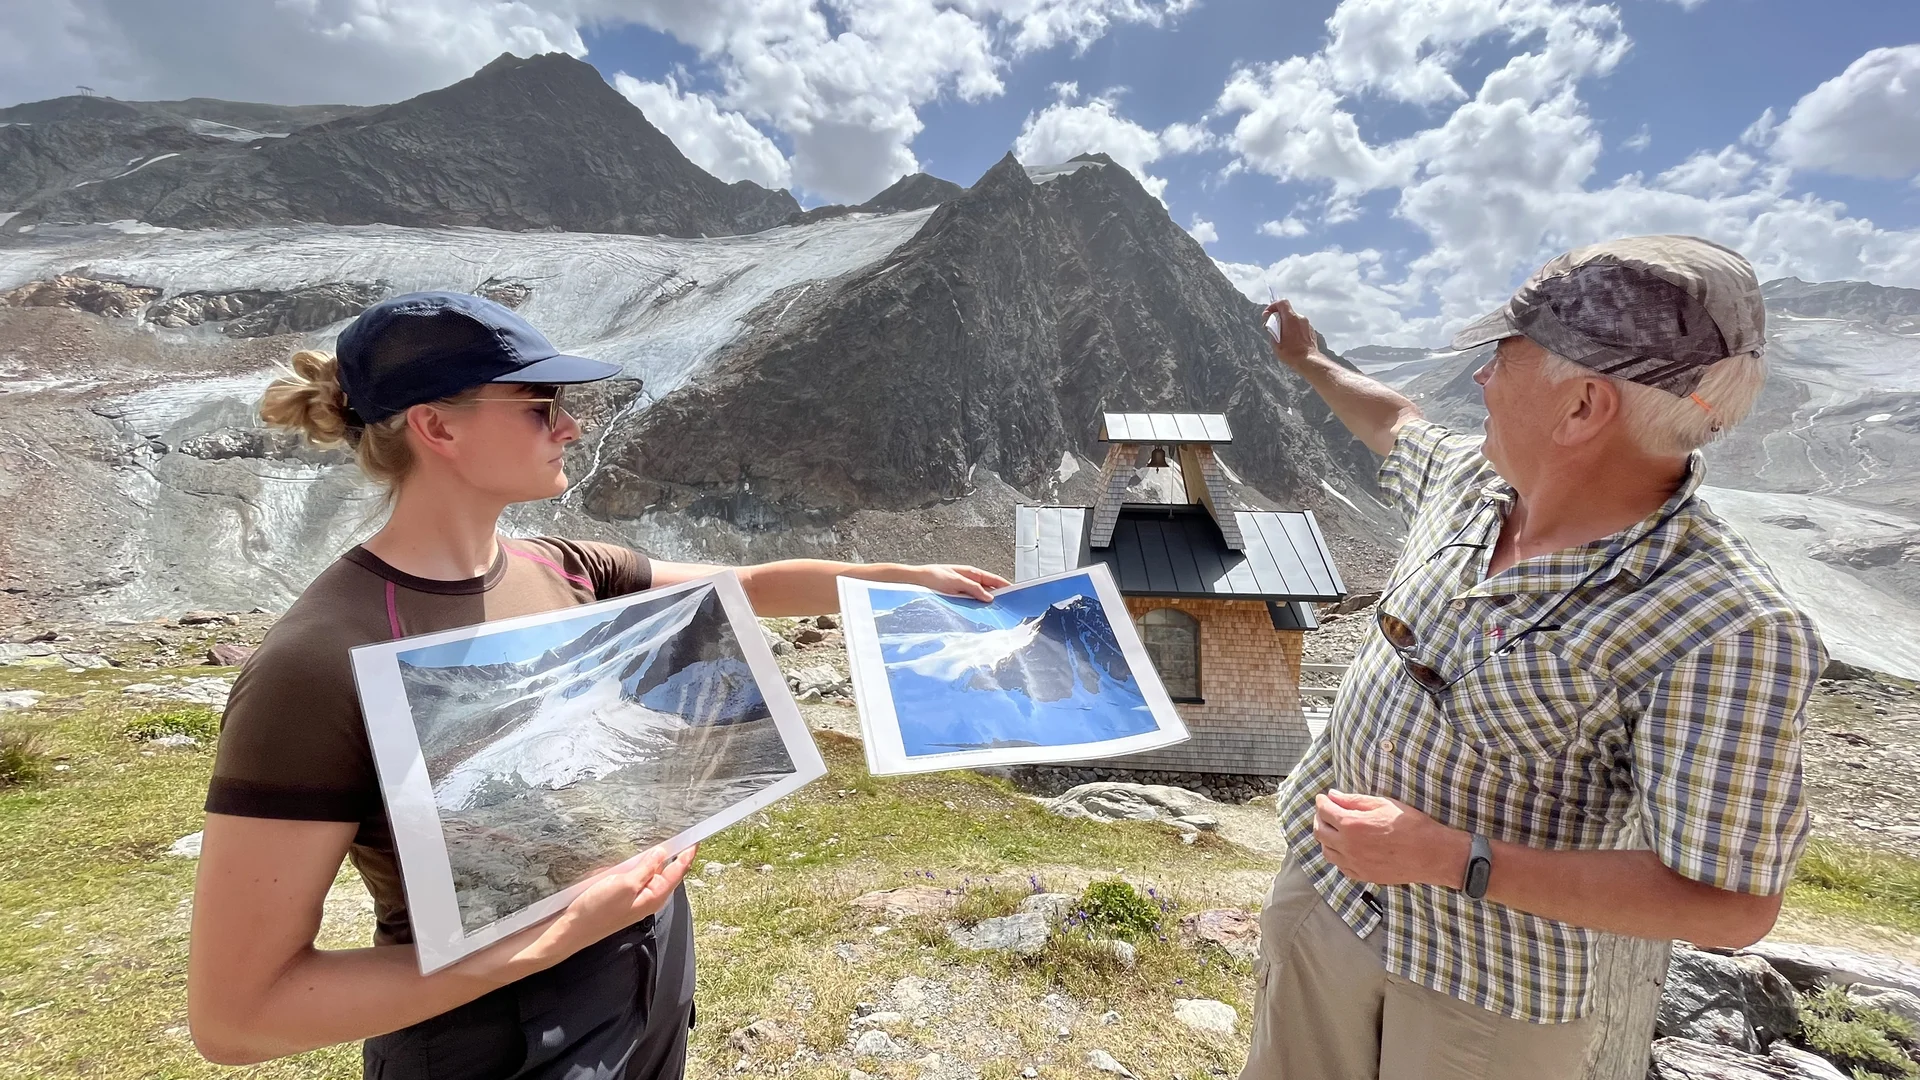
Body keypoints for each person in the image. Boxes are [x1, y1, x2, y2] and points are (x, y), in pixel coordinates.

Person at [186, 291, 1010, 1078]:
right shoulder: (318, 660)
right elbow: (240, 1014)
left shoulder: (566, 566)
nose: (572, 427)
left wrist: (895, 581)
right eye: (540, 406)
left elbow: (749, 585)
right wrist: (552, 938)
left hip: (642, 997)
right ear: (436, 425)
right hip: (489, 1047)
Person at [1243, 236, 1824, 1080]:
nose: (1480, 377)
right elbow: (1396, 421)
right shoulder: (1475, 488)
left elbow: (1732, 906)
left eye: (1504, 357)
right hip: (1327, 898)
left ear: (1583, 406)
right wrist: (1310, 362)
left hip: (1486, 983)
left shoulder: (1726, 625)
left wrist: (1453, 858)